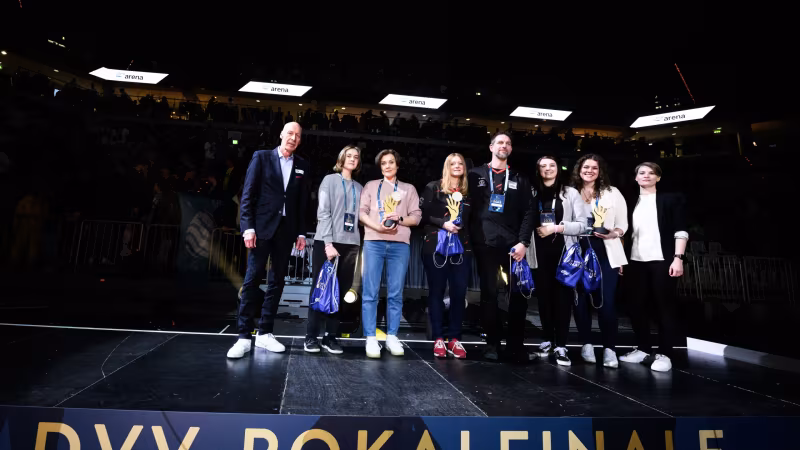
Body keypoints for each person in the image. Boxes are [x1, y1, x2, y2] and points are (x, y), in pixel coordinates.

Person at [227, 122, 310, 359]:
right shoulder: (261, 157)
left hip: (287, 231)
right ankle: (243, 336)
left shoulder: (303, 165)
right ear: (282, 135)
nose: (294, 138)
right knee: (252, 280)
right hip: (261, 229)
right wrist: (248, 228)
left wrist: (302, 232)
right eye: (290, 134)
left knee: (277, 282)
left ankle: (264, 332)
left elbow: (302, 203)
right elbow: (248, 194)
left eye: (298, 136)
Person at [468, 132, 536, 362]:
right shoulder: (474, 174)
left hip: (513, 246)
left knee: (517, 296)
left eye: (508, 143)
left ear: (511, 149)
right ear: (491, 147)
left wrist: (523, 242)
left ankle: (516, 345)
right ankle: (492, 344)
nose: (504, 146)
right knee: (489, 295)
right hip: (485, 243)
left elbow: (529, 212)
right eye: (500, 142)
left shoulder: (520, 177)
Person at [619, 162, 688, 372]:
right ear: (636, 177)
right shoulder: (630, 202)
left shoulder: (671, 199)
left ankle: (665, 353)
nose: (646, 176)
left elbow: (681, 230)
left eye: (651, 173)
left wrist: (678, 258)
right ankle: (643, 348)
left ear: (658, 177)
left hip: (662, 260)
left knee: (663, 307)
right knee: (636, 306)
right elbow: (623, 232)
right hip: (635, 261)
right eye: (642, 172)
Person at [525, 156, 588, 366]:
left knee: (563, 301)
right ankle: (547, 340)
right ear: (538, 170)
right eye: (542, 166)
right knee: (543, 300)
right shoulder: (532, 192)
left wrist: (557, 228)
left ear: (558, 169)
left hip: (564, 256)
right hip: (538, 254)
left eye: (551, 165)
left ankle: (561, 345)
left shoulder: (570, 193)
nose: (547, 169)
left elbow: (583, 226)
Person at [359, 149, 421, 358]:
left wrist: (400, 219)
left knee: (395, 293)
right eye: (384, 163)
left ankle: (392, 336)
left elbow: (416, 217)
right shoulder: (370, 186)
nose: (387, 166)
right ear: (380, 166)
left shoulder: (408, 188)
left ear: (397, 165)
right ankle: (370, 337)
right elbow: (362, 213)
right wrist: (377, 227)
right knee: (370, 292)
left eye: (391, 162)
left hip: (399, 244)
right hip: (374, 242)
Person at [569, 154, 628, 368]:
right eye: (586, 167)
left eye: (594, 167)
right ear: (579, 169)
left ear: (600, 171)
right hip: (577, 249)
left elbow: (623, 224)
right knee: (580, 300)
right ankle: (586, 344)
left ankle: (610, 349)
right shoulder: (569, 192)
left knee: (606, 302)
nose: (590, 171)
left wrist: (615, 233)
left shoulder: (612, 193)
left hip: (605, 250)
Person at [304, 146, 364, 354]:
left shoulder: (360, 187)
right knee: (320, 289)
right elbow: (323, 212)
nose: (352, 159)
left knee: (340, 292)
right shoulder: (329, 180)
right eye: (349, 156)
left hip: (351, 244)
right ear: (341, 159)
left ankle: (330, 337)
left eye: (356, 157)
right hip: (327, 242)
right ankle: (311, 337)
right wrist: (329, 243)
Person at [420, 153, 473, 359]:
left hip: (462, 247)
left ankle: (454, 339)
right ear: (446, 166)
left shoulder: (469, 193)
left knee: (459, 293)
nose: (457, 166)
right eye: (453, 163)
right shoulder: (434, 187)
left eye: (460, 163)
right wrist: (443, 224)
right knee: (437, 291)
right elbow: (422, 215)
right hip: (436, 246)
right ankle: (438, 338)